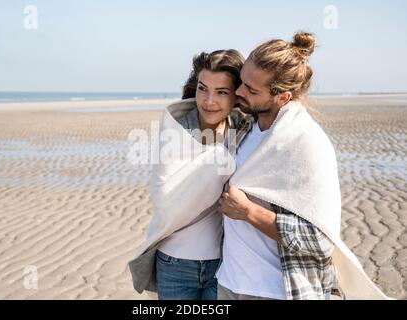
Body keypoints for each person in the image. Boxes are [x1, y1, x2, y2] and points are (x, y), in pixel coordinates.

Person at [216, 31, 390, 300]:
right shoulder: (245, 128)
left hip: (274, 289)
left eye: (251, 89)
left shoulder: (307, 143)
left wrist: (249, 211)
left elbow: (319, 240)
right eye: (241, 82)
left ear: (282, 97)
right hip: (229, 282)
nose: (239, 92)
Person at [128, 49, 253, 300]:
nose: (209, 101)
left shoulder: (244, 131)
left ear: (237, 95)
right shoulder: (176, 130)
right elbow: (165, 196)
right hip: (175, 263)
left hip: (223, 265)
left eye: (221, 92)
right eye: (203, 89)